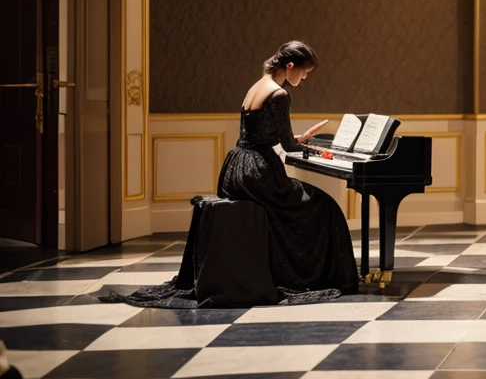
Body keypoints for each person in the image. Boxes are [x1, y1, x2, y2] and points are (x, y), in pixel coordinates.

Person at [108, 41, 359, 307]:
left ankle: (284, 268)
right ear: (290, 66)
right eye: (305, 72)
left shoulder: (257, 86)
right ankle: (313, 276)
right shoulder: (280, 94)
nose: (305, 77)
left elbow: (262, 135)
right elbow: (286, 145)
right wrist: (308, 143)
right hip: (258, 173)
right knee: (323, 206)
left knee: (301, 206)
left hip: (236, 168)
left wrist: (296, 139)